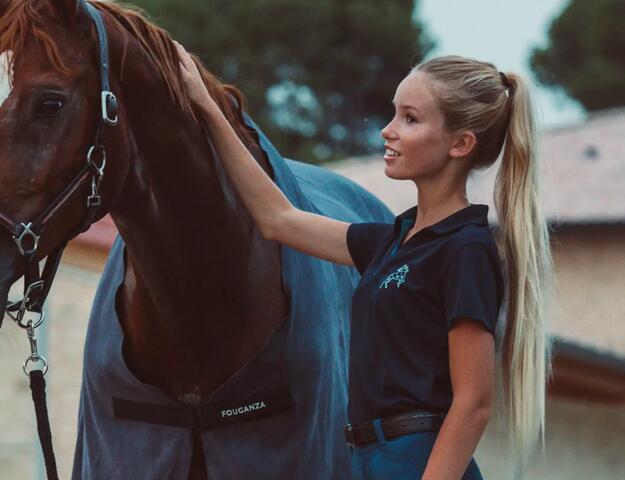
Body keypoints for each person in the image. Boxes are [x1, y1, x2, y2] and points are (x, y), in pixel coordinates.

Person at [175, 44, 556, 480]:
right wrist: (207, 109)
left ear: (460, 144)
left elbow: (473, 403)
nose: (387, 132)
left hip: (416, 462)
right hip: (363, 458)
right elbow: (277, 219)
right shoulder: (391, 242)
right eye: (394, 114)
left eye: (410, 119)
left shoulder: (465, 249)